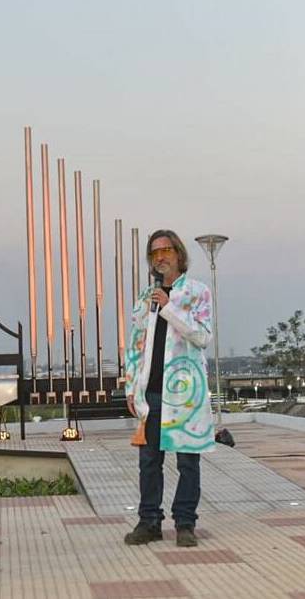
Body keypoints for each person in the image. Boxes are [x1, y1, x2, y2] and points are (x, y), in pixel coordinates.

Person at [123, 229, 215, 548]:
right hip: (151, 392)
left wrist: (169, 307)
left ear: (178, 253)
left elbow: (203, 336)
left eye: (165, 250)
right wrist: (131, 389)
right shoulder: (144, 298)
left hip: (185, 392)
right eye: (154, 252)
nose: (160, 256)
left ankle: (185, 523)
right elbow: (135, 346)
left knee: (188, 460)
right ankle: (149, 521)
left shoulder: (197, 292)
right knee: (149, 461)